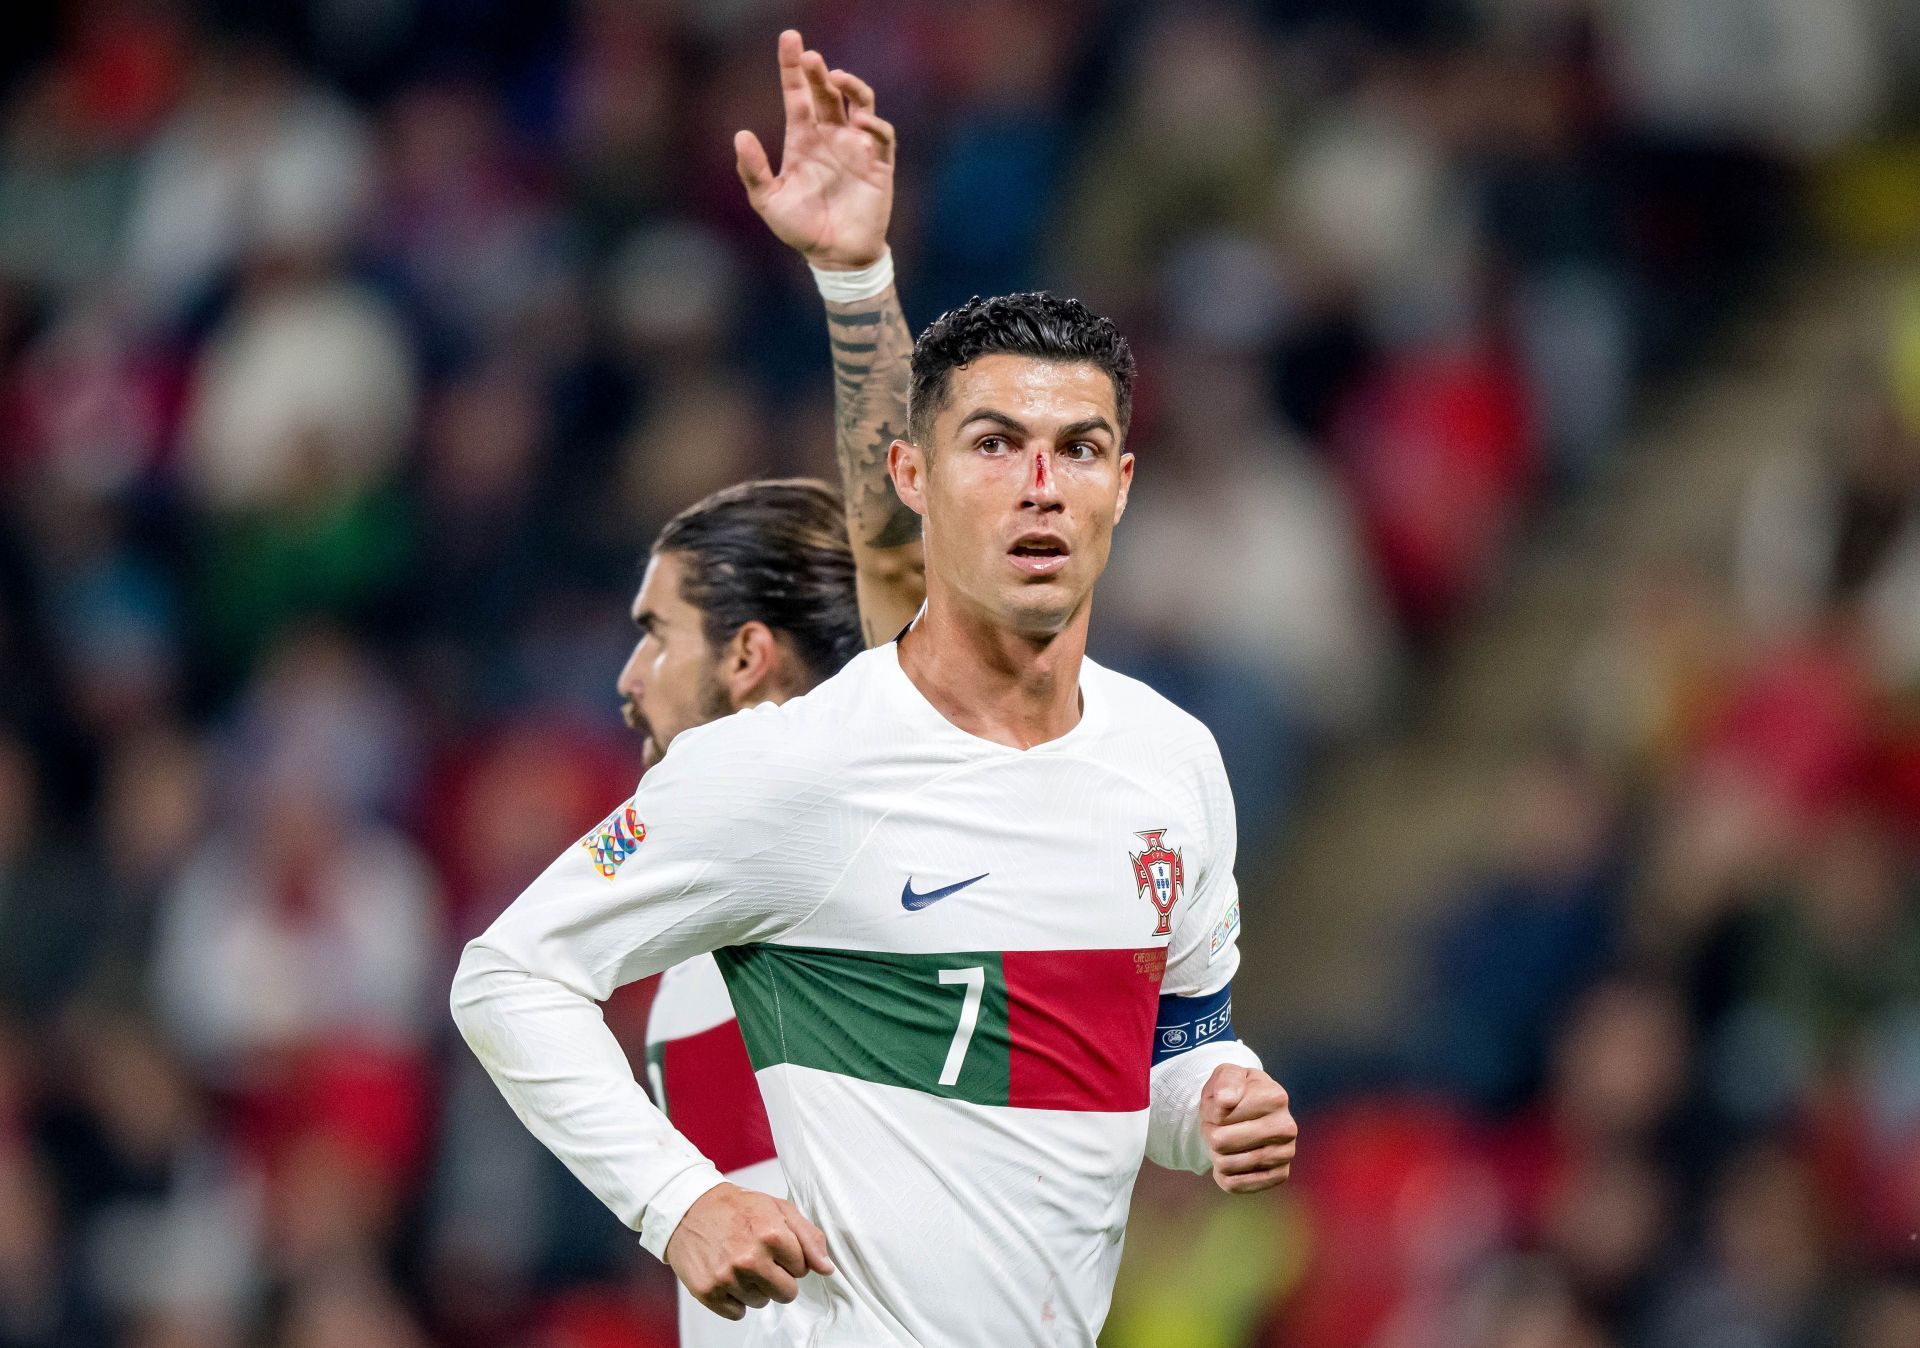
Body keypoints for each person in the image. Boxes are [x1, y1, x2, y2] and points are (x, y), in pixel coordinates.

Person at [453, 69, 1298, 1348]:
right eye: (994, 446)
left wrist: (1215, 1095)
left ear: (1123, 484)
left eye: (1074, 451)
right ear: (918, 473)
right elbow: (509, 972)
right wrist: (680, 1202)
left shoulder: (1169, 764)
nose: (1038, 487)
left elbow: (1165, 1048)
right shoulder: (785, 783)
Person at [627, 31, 924, 1348]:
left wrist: (857, 286)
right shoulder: (690, 873)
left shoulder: (851, 805)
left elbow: (903, 563)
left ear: (751, 658)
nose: (626, 677)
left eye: (656, 635)